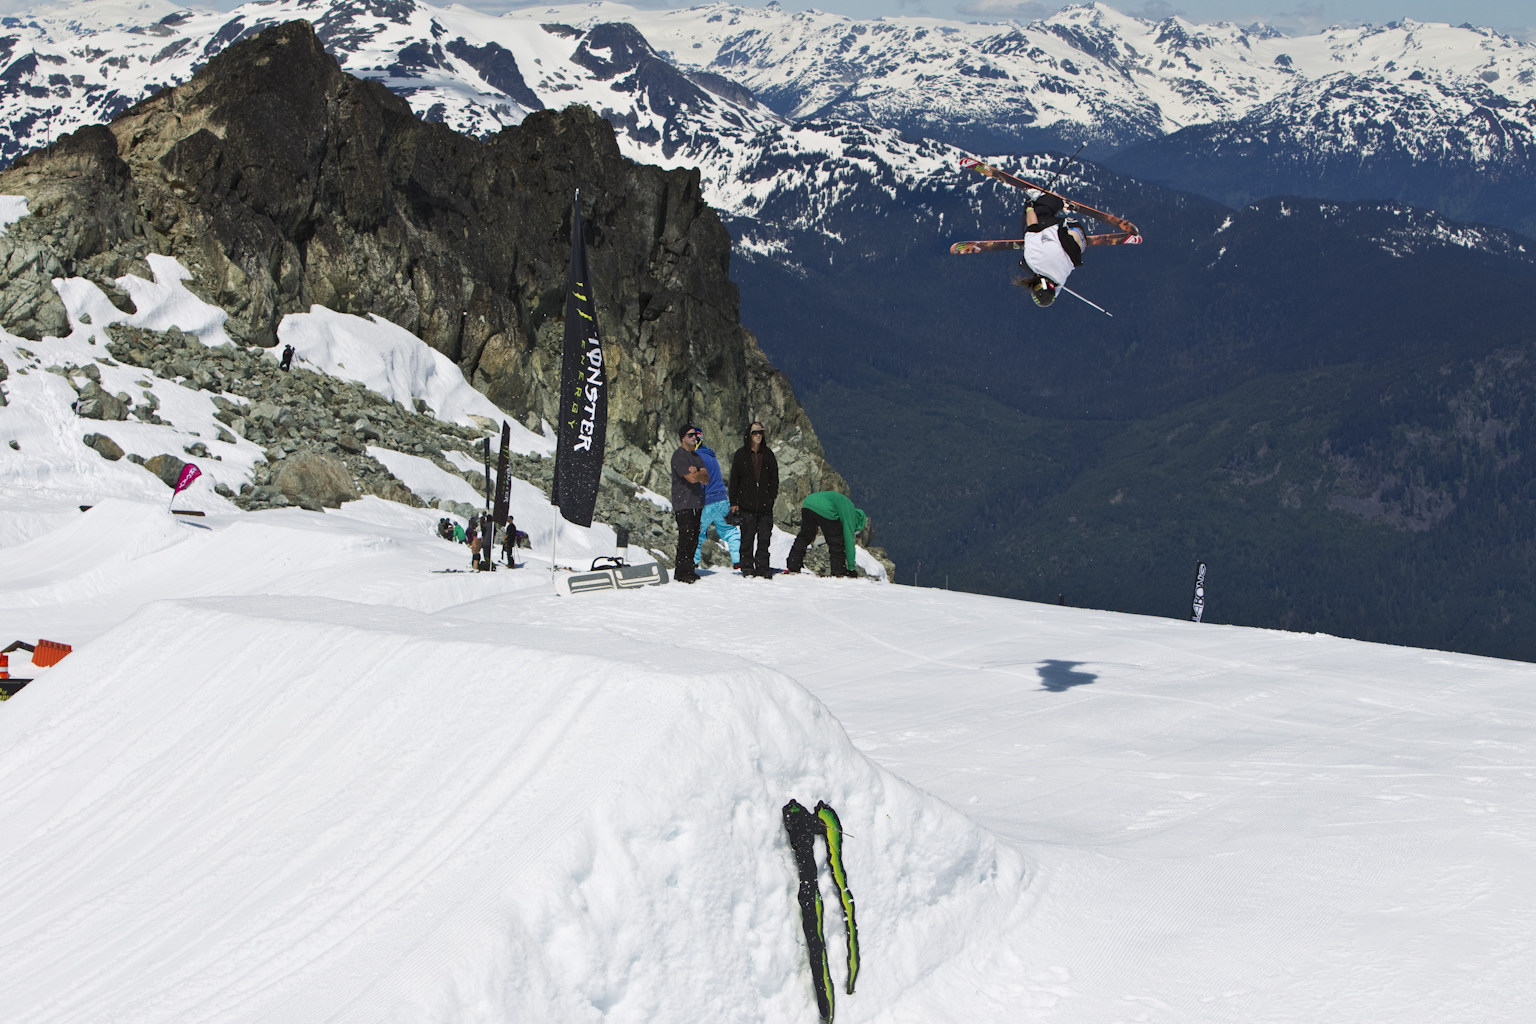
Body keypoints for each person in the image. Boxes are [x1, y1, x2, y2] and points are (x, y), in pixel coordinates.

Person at [1015, 191, 1087, 308]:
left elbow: (1047, 293)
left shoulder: (1057, 285)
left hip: (1081, 242)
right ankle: (1056, 202)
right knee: (1034, 219)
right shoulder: (1033, 258)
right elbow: (1033, 225)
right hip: (1069, 227)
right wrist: (1029, 207)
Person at [729, 421, 779, 578]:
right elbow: (734, 480)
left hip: (765, 506)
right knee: (747, 538)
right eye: (755, 432)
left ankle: (763, 567)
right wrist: (734, 502)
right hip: (746, 505)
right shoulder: (741, 455)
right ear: (749, 435)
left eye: (760, 432)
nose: (758, 435)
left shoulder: (769, 455)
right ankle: (747, 567)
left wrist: (770, 498)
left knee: (764, 539)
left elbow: (774, 479)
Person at [786, 490, 868, 578]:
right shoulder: (851, 516)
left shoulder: (848, 506)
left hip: (808, 503)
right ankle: (838, 571)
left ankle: (793, 563)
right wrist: (851, 568)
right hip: (825, 507)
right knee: (836, 541)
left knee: (806, 535)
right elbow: (849, 542)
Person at [693, 433, 741, 570]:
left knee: (696, 533)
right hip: (721, 500)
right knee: (730, 531)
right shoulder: (711, 457)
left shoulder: (696, 458)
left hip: (705, 502)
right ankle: (738, 561)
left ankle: (693, 562)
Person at [670, 424, 710, 583]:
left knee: (694, 537)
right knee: (686, 537)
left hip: (696, 503)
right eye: (690, 435)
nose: (694, 437)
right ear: (682, 438)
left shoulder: (697, 457)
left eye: (695, 435)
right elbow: (692, 478)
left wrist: (699, 472)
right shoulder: (679, 456)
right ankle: (681, 571)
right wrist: (699, 474)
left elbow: (706, 479)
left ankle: (689, 568)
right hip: (683, 503)